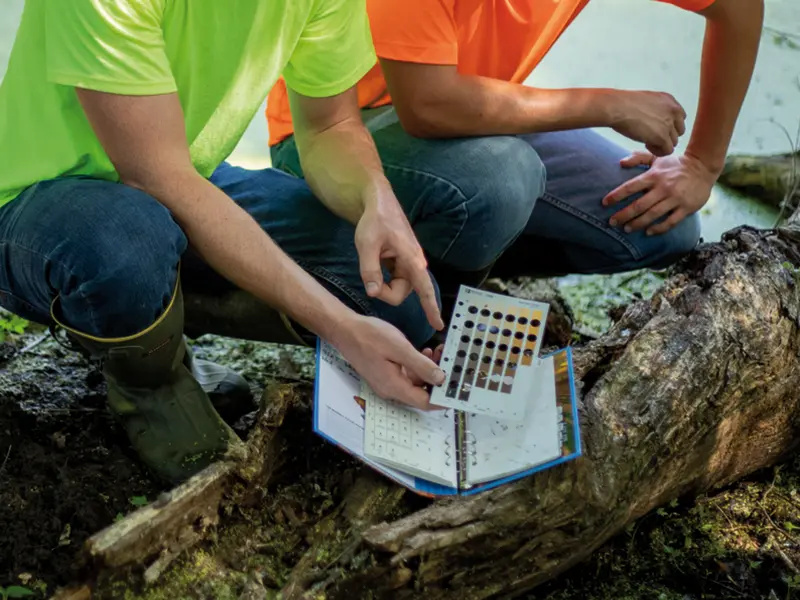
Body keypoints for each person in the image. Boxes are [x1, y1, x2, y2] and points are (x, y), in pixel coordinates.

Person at [0, 0, 491, 484]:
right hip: (38, 200)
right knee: (127, 243)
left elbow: (330, 125)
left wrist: (374, 197)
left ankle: (158, 307)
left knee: (387, 306)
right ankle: (152, 380)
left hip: (186, 177)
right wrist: (340, 326)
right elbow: (156, 177)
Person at [267, 0, 763, 301]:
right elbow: (428, 105)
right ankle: (425, 306)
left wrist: (701, 163)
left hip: (479, 127)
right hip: (330, 134)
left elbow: (736, 7)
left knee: (664, 226)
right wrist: (608, 104)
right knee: (502, 178)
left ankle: (437, 269)